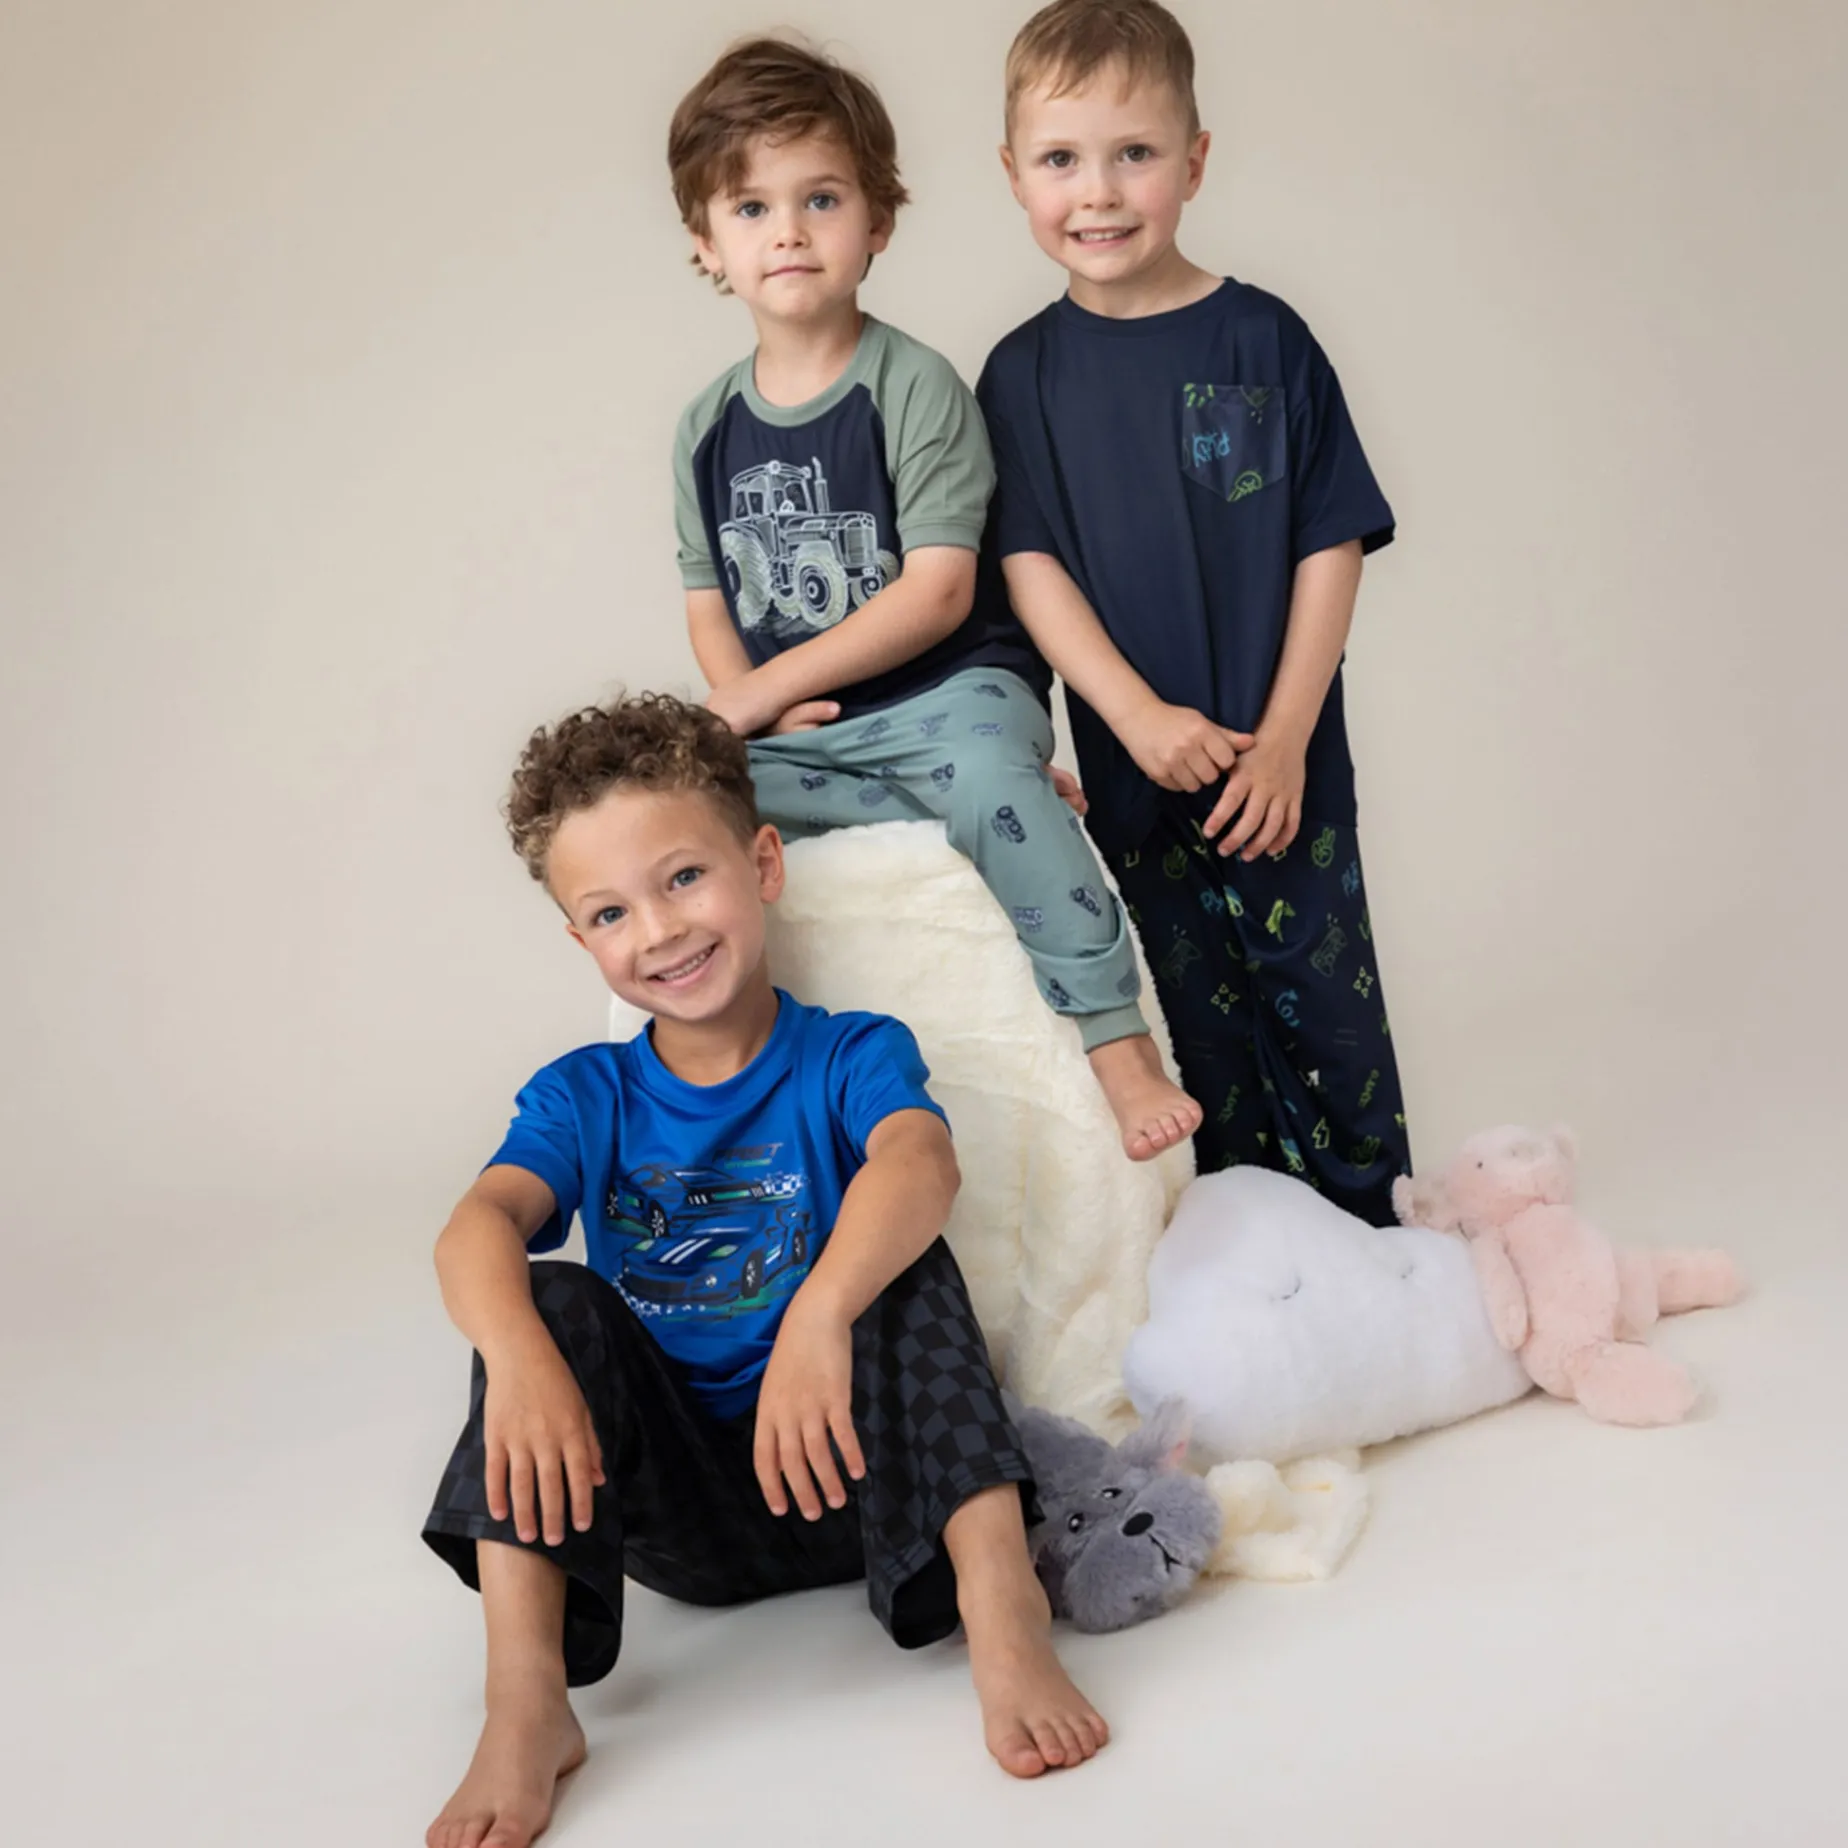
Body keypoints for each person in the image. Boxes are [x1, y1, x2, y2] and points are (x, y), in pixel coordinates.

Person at [422, 694, 1107, 1848]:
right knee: (544, 1298)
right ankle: (526, 1704)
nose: (659, 930)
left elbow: (921, 1161)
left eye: (685, 878)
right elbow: (476, 1225)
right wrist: (520, 1358)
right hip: (682, 1514)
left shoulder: (847, 1052)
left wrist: (819, 1315)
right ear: (583, 941)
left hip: (854, 1477)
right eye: (610, 911)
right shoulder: (586, 1095)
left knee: (905, 1263)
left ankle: (1005, 1617)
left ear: (764, 865)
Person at [666, 35, 1201, 1163]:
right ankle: (732, 1077)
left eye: (821, 199)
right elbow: (710, 598)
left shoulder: (912, 386)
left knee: (990, 784)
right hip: (809, 723)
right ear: (706, 243)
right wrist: (749, 707)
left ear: (878, 221)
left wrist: (760, 692)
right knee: (686, 811)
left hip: (948, 691)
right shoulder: (706, 428)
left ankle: (1117, 1045)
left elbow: (939, 592)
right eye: (752, 208)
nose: (789, 232)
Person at [976, 0, 1412, 1223]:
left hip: (1282, 763)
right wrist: (1133, 719)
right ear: (1013, 175)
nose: (1099, 192)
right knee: (1195, 1031)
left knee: (1327, 1010)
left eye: (1135, 153)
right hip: (1140, 771)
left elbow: (1331, 540)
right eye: (1061, 159)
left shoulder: (1263, 338)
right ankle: (1244, 1256)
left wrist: (1286, 737)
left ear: (1195, 159)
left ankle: (1379, 1245)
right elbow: (1030, 567)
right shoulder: (1019, 377)